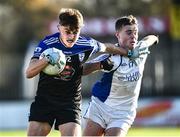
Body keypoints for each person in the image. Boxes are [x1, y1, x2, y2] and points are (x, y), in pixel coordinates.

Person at [25, 8, 147, 136]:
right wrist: (47, 59)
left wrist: (128, 53)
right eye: (67, 32)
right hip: (45, 100)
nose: (71, 37)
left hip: (69, 102)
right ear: (59, 27)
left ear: (80, 29)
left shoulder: (87, 43)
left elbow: (107, 47)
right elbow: (29, 72)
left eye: (75, 32)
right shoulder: (47, 44)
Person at [82, 15, 159, 137]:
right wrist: (101, 65)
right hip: (100, 107)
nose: (133, 36)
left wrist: (150, 41)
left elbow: (153, 37)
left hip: (123, 113)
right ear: (118, 35)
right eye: (128, 32)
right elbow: (83, 70)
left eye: (135, 32)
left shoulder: (140, 49)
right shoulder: (112, 56)